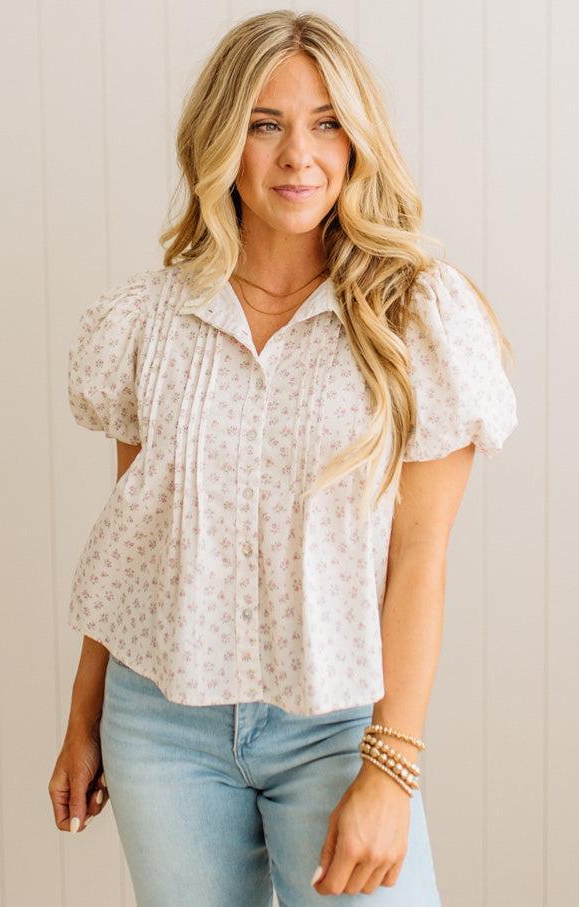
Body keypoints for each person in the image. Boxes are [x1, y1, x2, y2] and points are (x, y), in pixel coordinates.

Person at [48, 10, 518, 905]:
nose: (298, 156)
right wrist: (84, 715)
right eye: (265, 124)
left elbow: (420, 555)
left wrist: (390, 768)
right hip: (160, 724)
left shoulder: (414, 318)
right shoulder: (150, 321)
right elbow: (136, 543)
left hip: (335, 728)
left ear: (357, 140)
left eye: (325, 123)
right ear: (220, 141)